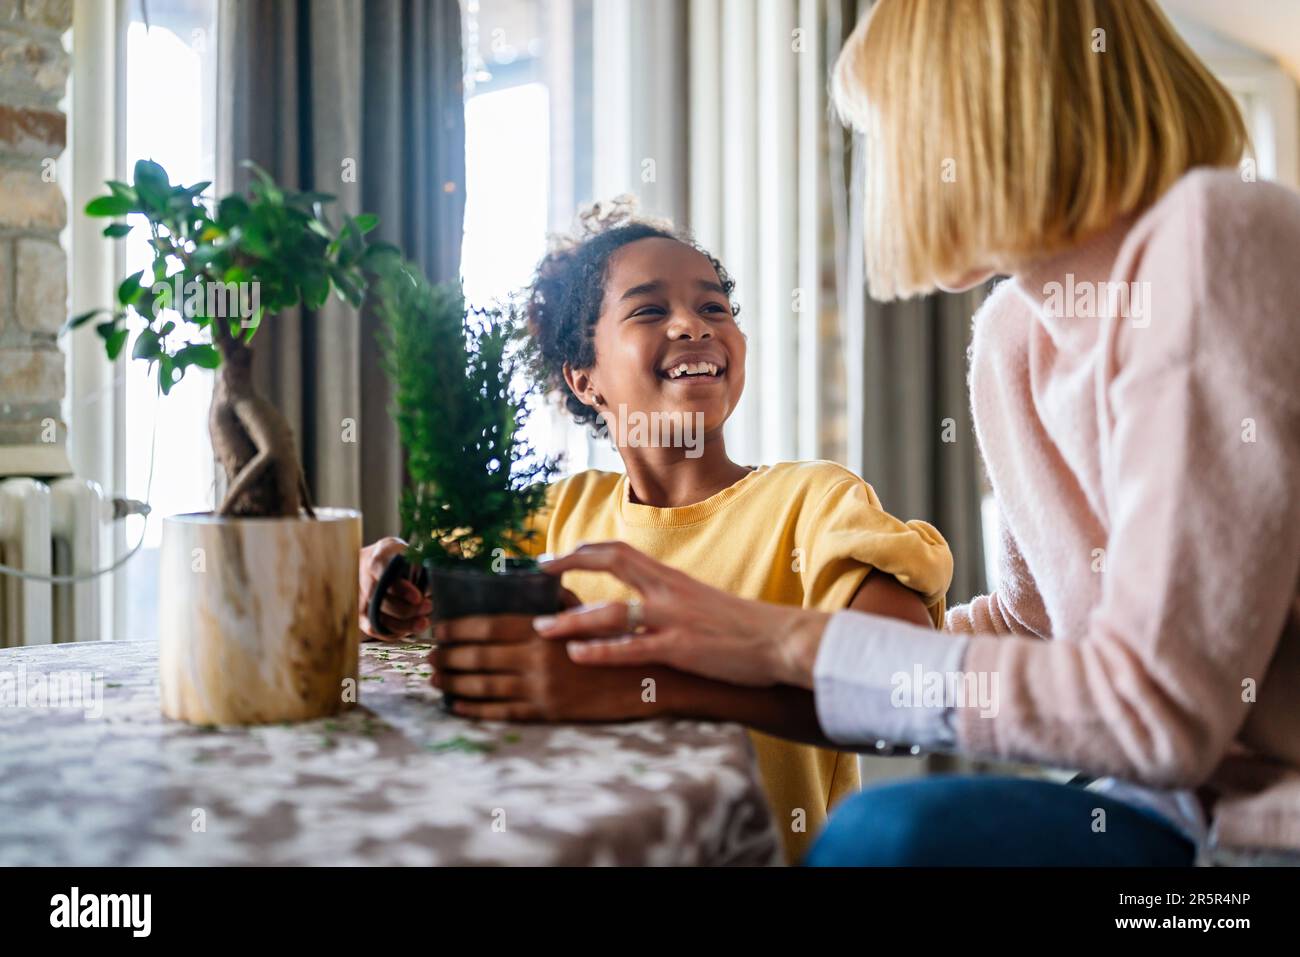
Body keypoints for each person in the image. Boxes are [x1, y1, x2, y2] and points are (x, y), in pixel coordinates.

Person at [504, 0, 1300, 865]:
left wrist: (783, 639)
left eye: (890, 128)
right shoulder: (1013, 338)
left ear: (985, 108)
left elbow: (1157, 709)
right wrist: (748, 656)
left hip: (1261, 838)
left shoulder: (1219, 238)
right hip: (1164, 813)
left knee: (886, 836)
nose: (886, 168)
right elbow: (1032, 630)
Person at [358, 202, 953, 862]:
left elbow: (912, 691)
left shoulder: (812, 503)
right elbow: (421, 579)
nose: (692, 324)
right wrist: (386, 581)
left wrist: (631, 682)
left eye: (715, 307)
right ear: (584, 380)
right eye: (648, 309)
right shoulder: (556, 513)